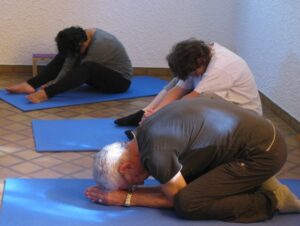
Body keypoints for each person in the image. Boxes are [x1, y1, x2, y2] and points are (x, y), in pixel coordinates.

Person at [85, 94, 300, 223]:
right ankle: (256, 182)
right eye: (132, 186)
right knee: (184, 179)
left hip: (263, 153)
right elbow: (173, 185)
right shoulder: (143, 133)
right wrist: (129, 192)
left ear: (125, 166)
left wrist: (126, 199)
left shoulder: (157, 154)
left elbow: (175, 198)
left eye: (131, 182)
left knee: (189, 204)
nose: (140, 182)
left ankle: (272, 201)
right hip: (254, 138)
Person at [114, 39, 262, 126]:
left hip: (244, 117)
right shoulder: (200, 56)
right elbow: (178, 90)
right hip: (222, 106)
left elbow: (189, 100)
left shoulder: (221, 69)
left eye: (194, 72)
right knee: (177, 82)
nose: (194, 75)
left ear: (201, 61)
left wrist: (157, 118)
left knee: (187, 109)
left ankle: (150, 120)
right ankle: (145, 113)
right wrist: (153, 113)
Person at [6, 26, 132, 103]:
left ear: (81, 45)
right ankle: (30, 85)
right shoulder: (81, 37)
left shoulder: (102, 44)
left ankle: (45, 94)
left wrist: (50, 89)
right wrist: (55, 82)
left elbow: (79, 73)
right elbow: (68, 64)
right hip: (100, 78)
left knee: (87, 67)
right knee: (63, 56)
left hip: (119, 82)